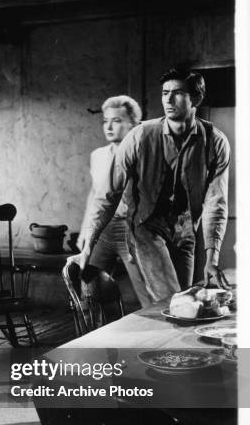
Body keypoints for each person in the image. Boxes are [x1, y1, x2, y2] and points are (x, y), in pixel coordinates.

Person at [71, 67, 230, 302]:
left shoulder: (214, 142)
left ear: (196, 98)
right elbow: (107, 194)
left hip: (186, 232)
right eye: (165, 92)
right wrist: (87, 248)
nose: (168, 99)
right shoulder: (140, 135)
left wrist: (212, 259)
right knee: (173, 300)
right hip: (146, 227)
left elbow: (216, 203)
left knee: (183, 300)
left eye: (177, 93)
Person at [78, 96, 152, 307]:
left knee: (148, 293)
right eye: (105, 121)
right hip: (104, 229)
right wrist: (85, 233)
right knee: (89, 287)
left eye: (117, 120)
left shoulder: (144, 155)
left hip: (133, 229)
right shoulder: (98, 156)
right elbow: (95, 195)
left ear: (134, 124)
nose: (109, 126)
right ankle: (93, 336)